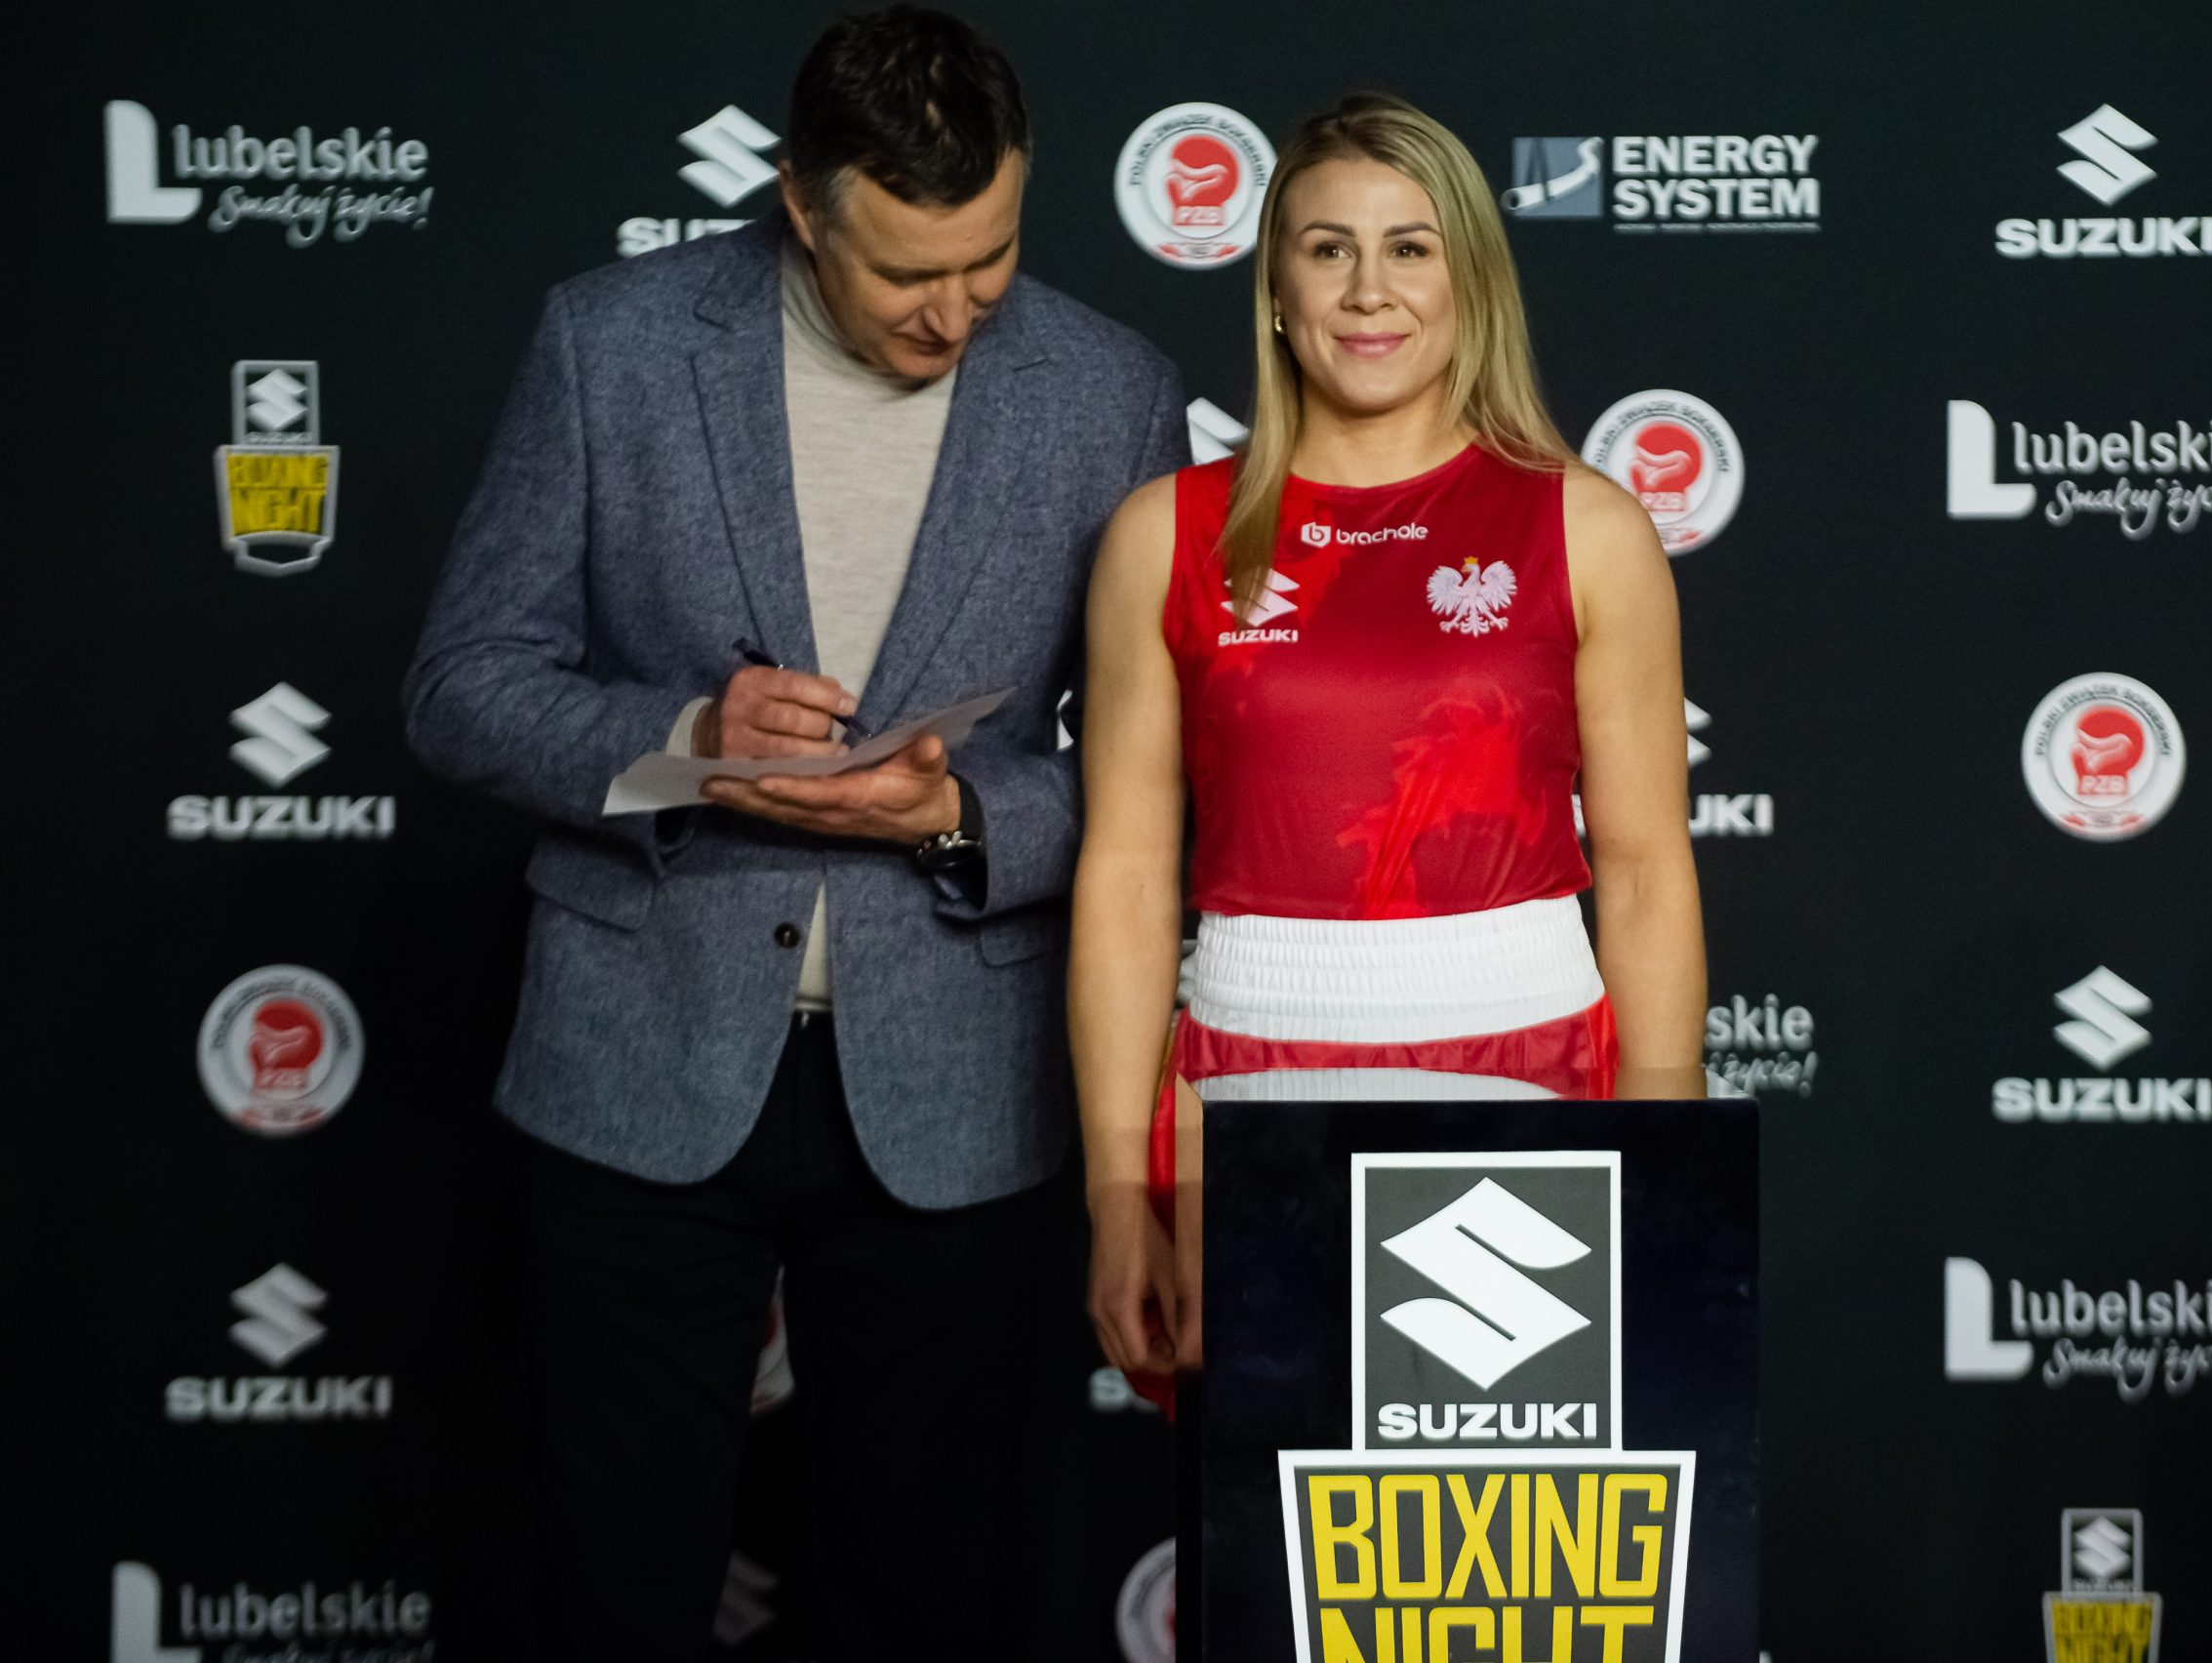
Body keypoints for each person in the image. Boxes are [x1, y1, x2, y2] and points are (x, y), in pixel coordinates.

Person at [402, 8, 1186, 1658]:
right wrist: (683, 743)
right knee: (604, 1587)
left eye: (992, 258)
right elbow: (463, 686)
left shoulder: (1112, 389)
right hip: (639, 1063)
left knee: (923, 1600)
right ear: (803, 207)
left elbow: (1144, 781)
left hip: (960, 1088)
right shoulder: (610, 344)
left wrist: (960, 810)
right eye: (909, 273)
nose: (956, 311)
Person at [1069, 93, 1707, 1400]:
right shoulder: (1163, 535)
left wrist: (1669, 1157)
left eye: (1410, 248)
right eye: (1329, 249)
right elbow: (1127, 877)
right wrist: (1118, 1190)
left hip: (1527, 1060)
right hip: (1246, 1081)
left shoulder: (1587, 527)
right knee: (1271, 1515)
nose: (1369, 290)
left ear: (1470, 280)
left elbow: (1646, 871)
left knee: (1510, 1523)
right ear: (1275, 287)